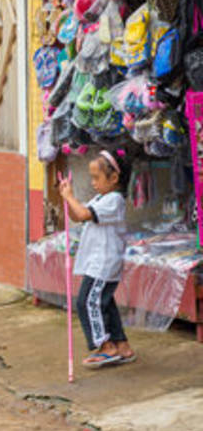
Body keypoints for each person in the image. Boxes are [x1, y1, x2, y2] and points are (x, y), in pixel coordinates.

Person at [58, 152, 133, 368]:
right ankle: (122, 346)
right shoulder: (101, 198)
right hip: (98, 261)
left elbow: (82, 214)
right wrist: (66, 198)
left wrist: (71, 197)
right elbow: (79, 214)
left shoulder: (114, 200)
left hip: (104, 263)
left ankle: (105, 346)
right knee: (105, 303)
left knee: (87, 302)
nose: (93, 183)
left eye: (96, 178)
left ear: (113, 179)